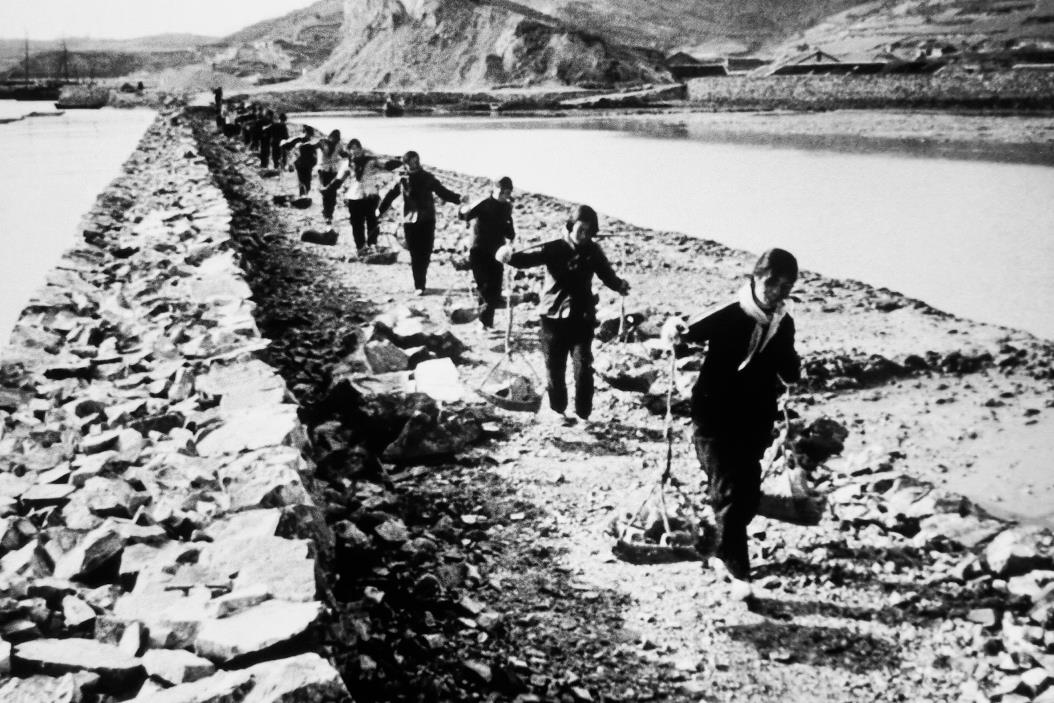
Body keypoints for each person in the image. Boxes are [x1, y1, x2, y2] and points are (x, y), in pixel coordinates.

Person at [660, 248, 801, 602]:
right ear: (755, 279)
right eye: (771, 283)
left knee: (747, 496)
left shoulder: (783, 323)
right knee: (728, 494)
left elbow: (786, 363)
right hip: (714, 417)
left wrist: (794, 372)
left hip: (754, 421)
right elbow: (685, 334)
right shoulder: (730, 312)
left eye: (785, 287)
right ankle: (740, 573)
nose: (777, 293)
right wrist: (673, 331)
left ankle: (719, 545)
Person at [497, 205, 629, 424]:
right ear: (570, 226)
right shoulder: (553, 248)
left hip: (582, 318)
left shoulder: (593, 251)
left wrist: (620, 285)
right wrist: (508, 257)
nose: (584, 235)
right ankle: (559, 411)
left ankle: (583, 414)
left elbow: (606, 274)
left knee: (583, 368)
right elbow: (527, 260)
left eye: (589, 231)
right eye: (580, 229)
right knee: (555, 369)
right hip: (552, 318)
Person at [378, 151, 463, 295]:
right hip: (409, 220)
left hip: (427, 219)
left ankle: (420, 282)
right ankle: (419, 284)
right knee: (415, 253)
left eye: (416, 161)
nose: (414, 165)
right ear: (405, 164)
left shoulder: (427, 177)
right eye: (411, 162)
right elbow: (391, 195)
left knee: (426, 252)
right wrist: (380, 210)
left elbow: (442, 191)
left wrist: (458, 199)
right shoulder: (402, 179)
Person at [459, 176, 516, 328]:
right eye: (501, 191)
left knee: (495, 289)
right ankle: (483, 323)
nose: (504, 195)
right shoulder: (483, 203)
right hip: (478, 251)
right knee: (484, 287)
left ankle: (487, 323)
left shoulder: (507, 207)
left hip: (497, 254)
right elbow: (464, 216)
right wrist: (464, 207)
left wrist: (510, 242)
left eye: (507, 192)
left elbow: (509, 230)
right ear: (495, 189)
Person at [327, 138, 395, 253]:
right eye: (351, 149)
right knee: (357, 224)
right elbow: (339, 180)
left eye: (356, 148)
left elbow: (385, 166)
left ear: (361, 148)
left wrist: (399, 162)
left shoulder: (371, 161)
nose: (354, 151)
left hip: (370, 196)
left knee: (372, 222)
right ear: (349, 150)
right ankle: (361, 248)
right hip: (354, 197)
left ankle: (372, 245)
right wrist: (329, 189)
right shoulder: (347, 164)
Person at [317, 130, 344, 224]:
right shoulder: (323, 143)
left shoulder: (339, 145)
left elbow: (343, 154)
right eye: (333, 137)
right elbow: (315, 147)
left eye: (336, 138)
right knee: (325, 193)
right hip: (324, 171)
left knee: (332, 194)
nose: (334, 139)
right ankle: (327, 213)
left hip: (334, 172)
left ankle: (329, 214)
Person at [288, 126, 319, 197]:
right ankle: (304, 196)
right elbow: (295, 153)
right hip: (304, 164)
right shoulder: (307, 142)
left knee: (304, 181)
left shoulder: (303, 141)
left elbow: (294, 153)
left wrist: (292, 162)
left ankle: (304, 196)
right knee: (305, 181)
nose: (309, 135)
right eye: (309, 133)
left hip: (304, 164)